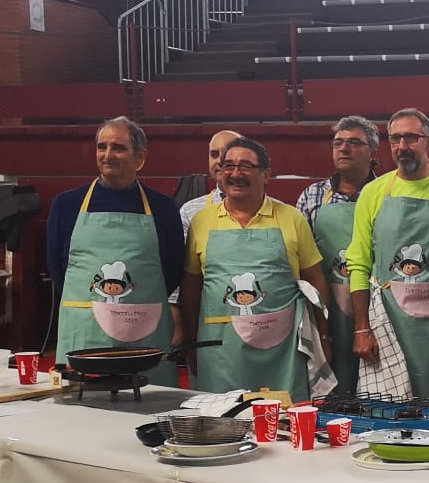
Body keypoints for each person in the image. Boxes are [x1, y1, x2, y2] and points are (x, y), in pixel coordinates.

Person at [178, 138, 330, 397]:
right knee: (221, 426)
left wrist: (324, 340)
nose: (235, 174)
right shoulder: (201, 221)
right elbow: (192, 288)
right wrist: (192, 342)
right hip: (219, 352)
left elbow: (316, 282)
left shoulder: (292, 218)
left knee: (281, 427)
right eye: (228, 166)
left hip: (282, 354)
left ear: (266, 175)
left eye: (246, 166)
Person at [347, 109, 429, 404]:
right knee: (388, 412)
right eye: (395, 138)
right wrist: (362, 328)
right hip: (386, 325)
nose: (402, 146)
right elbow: (358, 264)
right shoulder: (373, 193)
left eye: (411, 137)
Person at [48, 117, 185, 362]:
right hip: (84, 330)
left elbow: (174, 268)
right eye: (102, 146)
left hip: (144, 333)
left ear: (140, 158)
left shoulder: (163, 208)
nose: (107, 154)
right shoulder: (66, 205)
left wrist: (137, 303)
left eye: (118, 148)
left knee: (150, 396)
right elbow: (57, 267)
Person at [295, 115, 379, 396]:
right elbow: (301, 264)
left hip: (378, 310)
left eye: (354, 143)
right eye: (338, 143)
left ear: (373, 151)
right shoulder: (312, 196)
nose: (344, 149)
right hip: (327, 312)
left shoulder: (386, 194)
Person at [175, 129, 242, 227]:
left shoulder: (269, 209)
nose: (219, 160)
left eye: (226, 154)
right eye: (214, 154)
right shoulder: (189, 211)